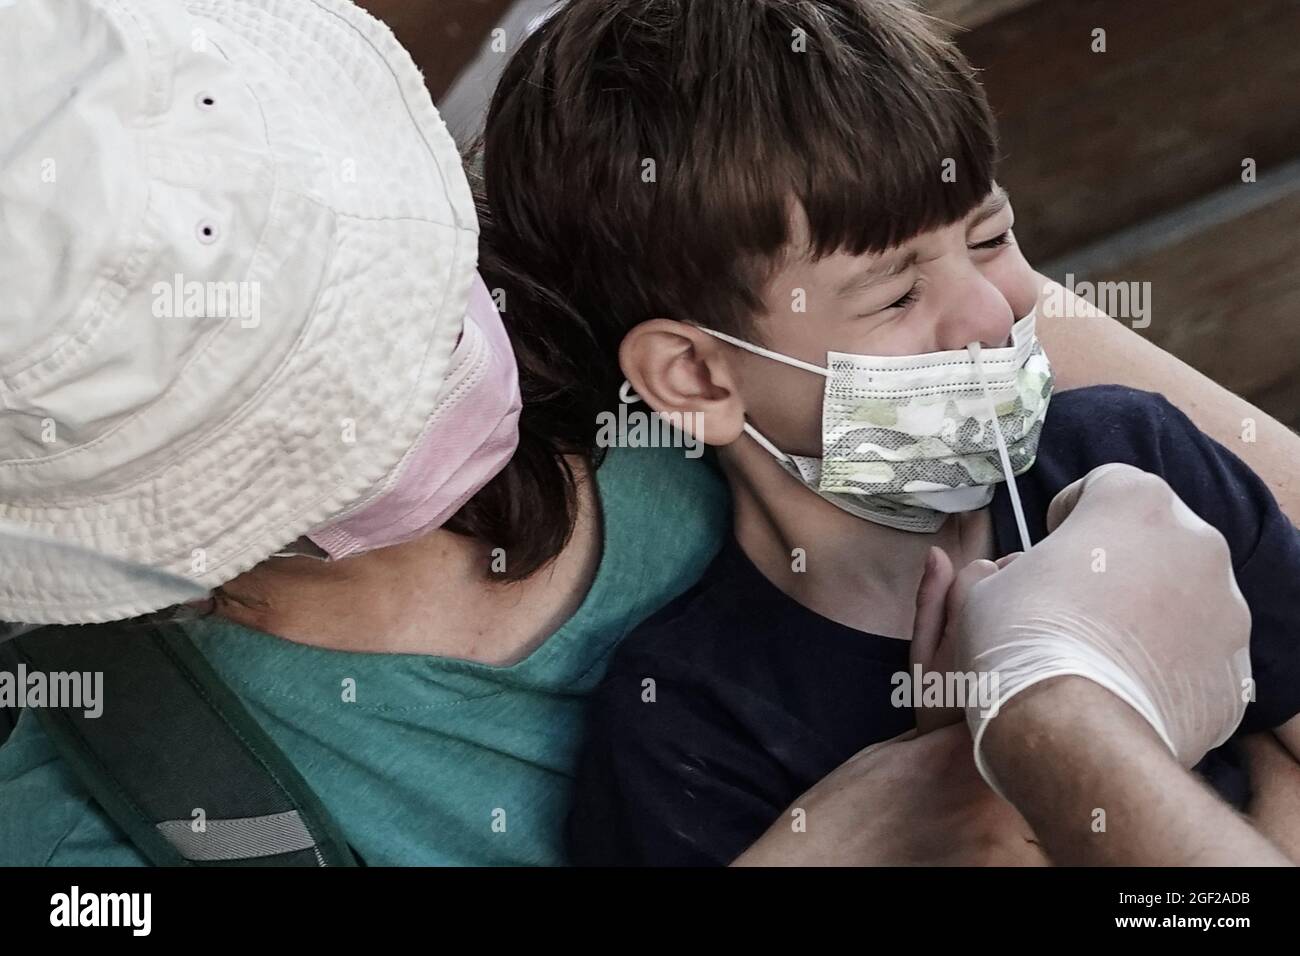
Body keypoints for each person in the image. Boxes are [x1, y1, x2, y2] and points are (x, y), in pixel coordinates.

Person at [2, 0, 1299, 869]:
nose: (984, 308)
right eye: (315, 406)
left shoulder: (689, 210)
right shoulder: (114, 827)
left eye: (404, 298)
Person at [466, 0, 1300, 864]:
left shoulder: (1135, 463)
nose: (987, 312)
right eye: (898, 295)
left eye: (990, 237)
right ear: (698, 376)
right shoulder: (689, 727)